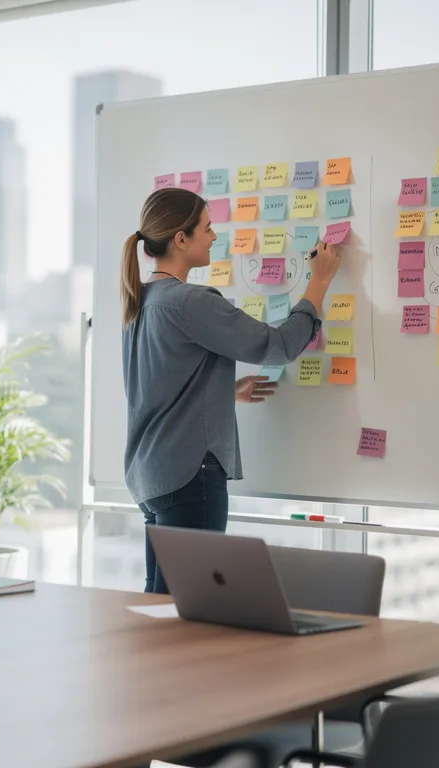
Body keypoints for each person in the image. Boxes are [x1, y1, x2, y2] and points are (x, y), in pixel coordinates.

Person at [121, 187, 340, 594]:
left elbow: (160, 383)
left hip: (151, 476)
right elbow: (278, 345)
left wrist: (223, 389)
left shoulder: (141, 300)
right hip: (189, 477)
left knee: (162, 607)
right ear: (180, 239)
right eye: (206, 228)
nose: (214, 237)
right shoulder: (191, 301)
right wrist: (320, 282)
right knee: (190, 607)